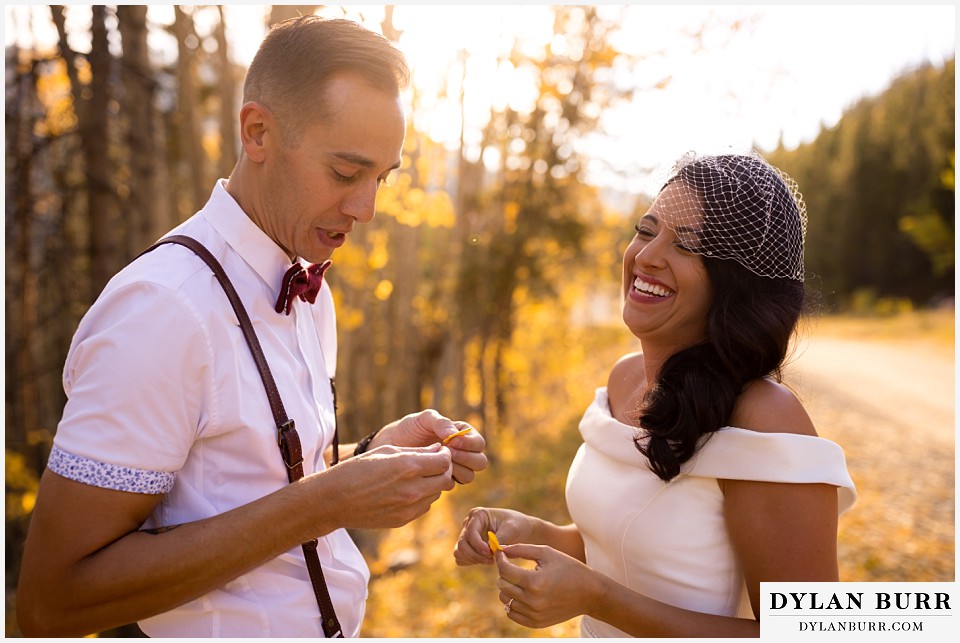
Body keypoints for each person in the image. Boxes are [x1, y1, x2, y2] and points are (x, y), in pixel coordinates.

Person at [16, 16, 487, 638]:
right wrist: (331, 501)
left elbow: (241, 481)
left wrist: (373, 459)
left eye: (382, 177)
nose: (367, 209)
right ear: (258, 131)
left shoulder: (309, 288)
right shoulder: (164, 310)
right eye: (346, 173)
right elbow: (53, 600)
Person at [453, 151, 856, 637]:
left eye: (685, 246)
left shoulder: (764, 418)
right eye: (646, 231)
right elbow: (637, 551)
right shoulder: (625, 379)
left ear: (735, 286)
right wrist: (535, 532)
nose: (645, 256)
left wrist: (598, 599)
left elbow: (815, 633)